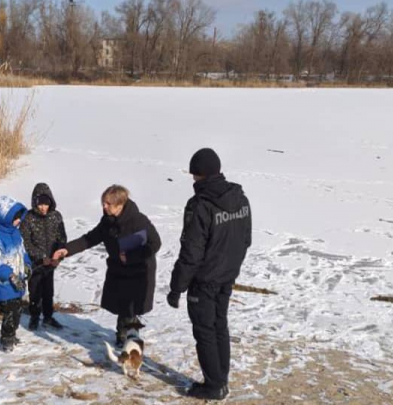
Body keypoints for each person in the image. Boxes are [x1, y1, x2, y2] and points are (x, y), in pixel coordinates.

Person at [167, 148, 252, 401]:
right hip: (226, 276)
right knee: (219, 326)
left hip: (205, 280)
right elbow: (245, 240)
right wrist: (230, 268)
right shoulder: (240, 198)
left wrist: (176, 287)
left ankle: (214, 386)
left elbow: (191, 252)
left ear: (199, 174)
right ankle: (220, 379)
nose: (193, 180)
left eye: (194, 175)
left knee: (205, 331)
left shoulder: (200, 205)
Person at [53, 185, 161, 347]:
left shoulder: (138, 220)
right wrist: (67, 250)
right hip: (118, 269)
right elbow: (89, 239)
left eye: (108, 203)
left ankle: (129, 338)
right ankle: (122, 334)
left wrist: (132, 257)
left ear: (120, 205)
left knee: (131, 307)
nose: (104, 206)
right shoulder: (107, 221)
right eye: (103, 202)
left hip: (139, 270)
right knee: (122, 305)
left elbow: (155, 243)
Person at [0, 195, 32, 352]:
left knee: (17, 309)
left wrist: (27, 265)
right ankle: (7, 338)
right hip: (2, 285)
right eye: (15, 218)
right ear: (5, 217)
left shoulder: (15, 233)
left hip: (16, 283)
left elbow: (22, 251)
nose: (19, 221)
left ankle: (11, 332)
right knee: (11, 311)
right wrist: (10, 275)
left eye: (19, 217)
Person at [20, 183, 67, 330]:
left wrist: (57, 257)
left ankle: (48, 317)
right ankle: (34, 316)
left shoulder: (56, 217)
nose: (43, 207)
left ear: (51, 202)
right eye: (40, 204)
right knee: (34, 291)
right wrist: (40, 257)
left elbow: (62, 239)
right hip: (36, 264)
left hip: (51, 263)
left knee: (48, 291)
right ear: (34, 203)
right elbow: (25, 242)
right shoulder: (28, 218)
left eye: (46, 204)